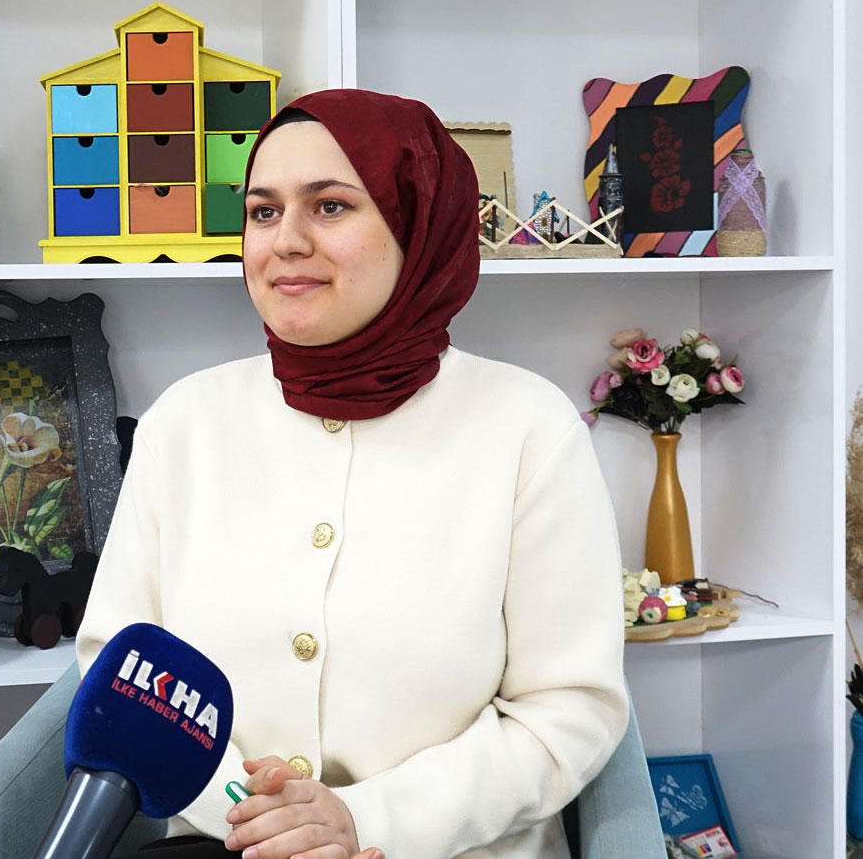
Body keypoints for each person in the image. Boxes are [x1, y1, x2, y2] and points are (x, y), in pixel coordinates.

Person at [77, 89, 628, 859]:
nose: (286, 241)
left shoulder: (527, 427)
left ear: (417, 225)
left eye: (330, 206)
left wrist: (368, 821)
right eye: (263, 211)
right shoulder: (185, 423)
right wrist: (262, 819)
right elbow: (121, 672)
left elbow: (568, 710)